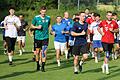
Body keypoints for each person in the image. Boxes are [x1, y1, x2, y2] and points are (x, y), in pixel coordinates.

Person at [31, 6, 50, 72]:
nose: (43, 13)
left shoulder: (48, 18)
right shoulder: (36, 18)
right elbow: (31, 26)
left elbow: (49, 25)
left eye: (44, 12)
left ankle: (43, 67)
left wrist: (51, 30)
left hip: (45, 37)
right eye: (42, 12)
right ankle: (37, 65)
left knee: (44, 52)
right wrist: (37, 27)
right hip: (37, 38)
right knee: (37, 52)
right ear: (40, 11)